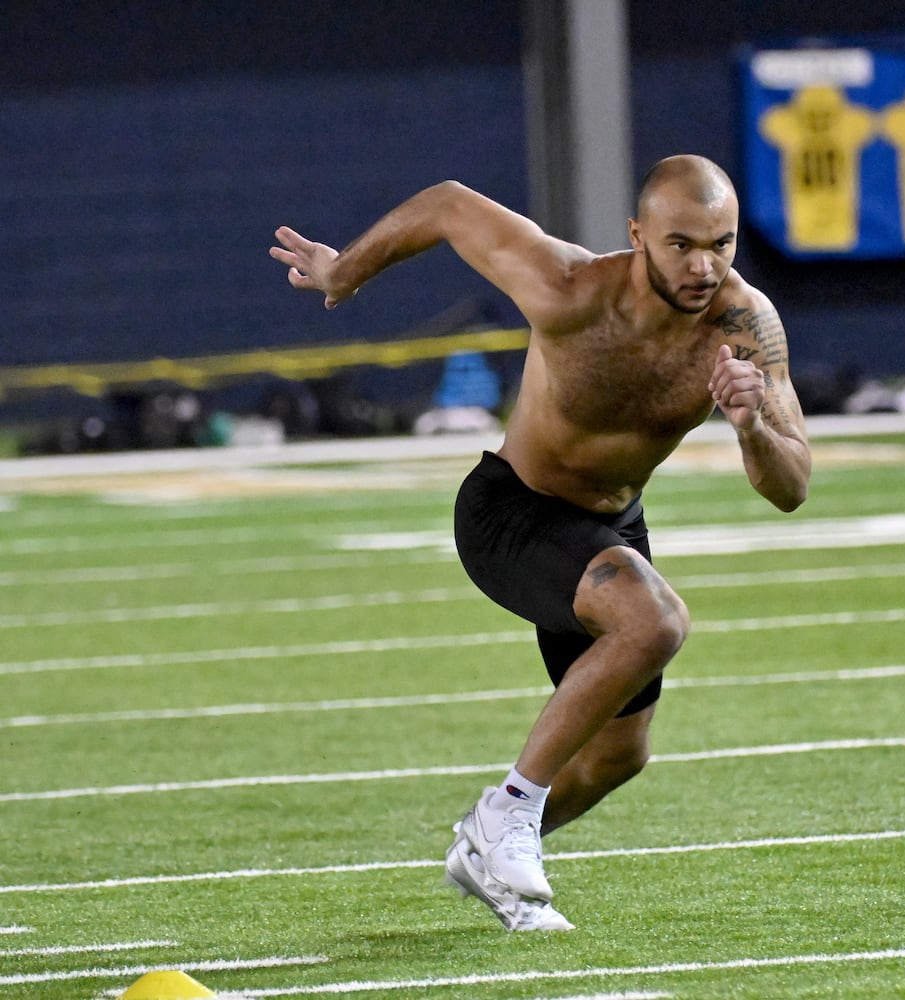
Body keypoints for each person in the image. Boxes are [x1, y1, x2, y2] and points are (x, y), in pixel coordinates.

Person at [270, 155, 811, 931]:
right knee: (654, 622)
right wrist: (344, 272)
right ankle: (508, 811)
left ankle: (487, 846)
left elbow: (791, 486)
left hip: (607, 529)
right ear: (637, 236)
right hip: (510, 511)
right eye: (682, 244)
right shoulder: (568, 288)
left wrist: (753, 426)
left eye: (721, 244)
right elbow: (451, 204)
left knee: (621, 758)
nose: (704, 265)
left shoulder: (743, 326)